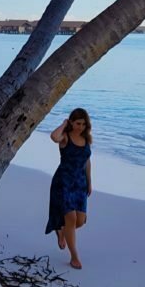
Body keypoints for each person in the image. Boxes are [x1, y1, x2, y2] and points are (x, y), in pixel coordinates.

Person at [45, 108, 92, 269]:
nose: (81, 127)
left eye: (84, 124)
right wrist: (64, 124)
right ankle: (74, 257)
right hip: (63, 181)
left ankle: (62, 231)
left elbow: (87, 162)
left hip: (80, 183)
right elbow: (53, 137)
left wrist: (89, 182)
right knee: (71, 218)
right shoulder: (65, 137)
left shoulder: (86, 139)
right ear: (72, 122)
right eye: (78, 123)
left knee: (80, 221)